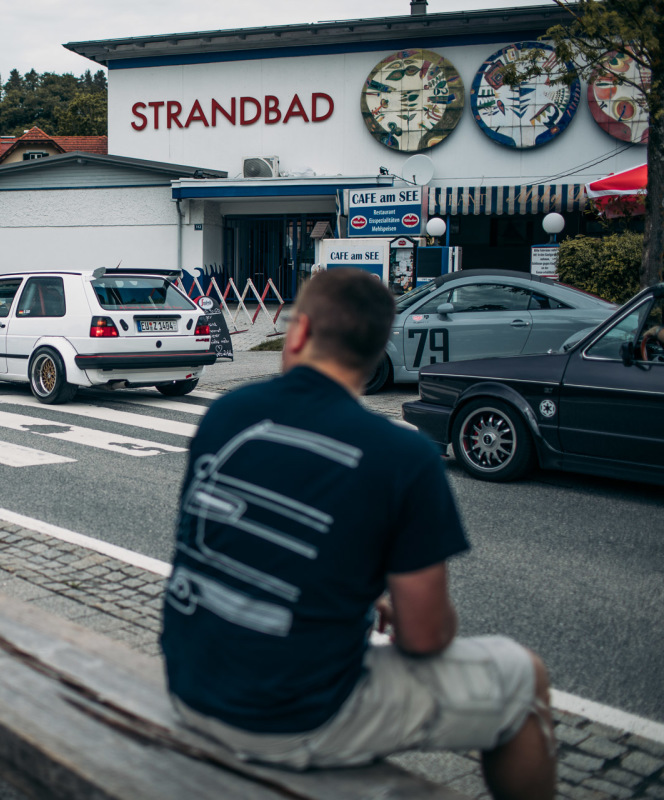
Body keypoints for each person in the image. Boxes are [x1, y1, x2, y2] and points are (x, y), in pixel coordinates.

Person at [161, 268, 555, 800]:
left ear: (298, 334)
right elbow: (424, 638)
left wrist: (361, 601)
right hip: (288, 721)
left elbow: (233, 546)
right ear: (375, 354)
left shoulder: (228, 413)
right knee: (522, 677)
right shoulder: (403, 456)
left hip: (190, 688)